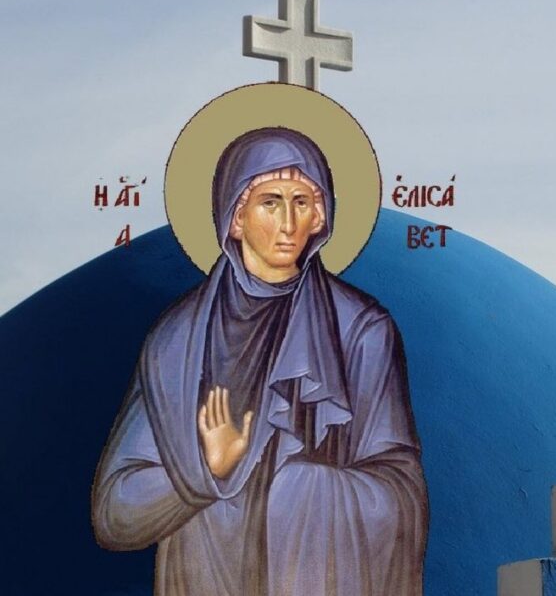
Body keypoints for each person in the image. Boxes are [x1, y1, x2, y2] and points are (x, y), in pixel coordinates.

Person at [92, 127, 428, 595]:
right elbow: (114, 511)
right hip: (203, 577)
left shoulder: (360, 331)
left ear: (320, 216)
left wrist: (299, 491)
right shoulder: (178, 340)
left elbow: (400, 490)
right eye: (270, 202)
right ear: (235, 216)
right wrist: (207, 473)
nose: (288, 223)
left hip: (310, 580)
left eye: (302, 202)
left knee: (299, 485)